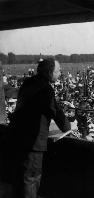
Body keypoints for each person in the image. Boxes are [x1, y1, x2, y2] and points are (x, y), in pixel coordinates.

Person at [5, 58, 71, 198]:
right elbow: (56, 112)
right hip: (32, 143)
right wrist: (68, 126)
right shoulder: (45, 89)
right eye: (58, 70)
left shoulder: (29, 82)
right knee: (31, 179)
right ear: (49, 72)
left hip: (16, 138)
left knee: (19, 178)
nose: (61, 73)